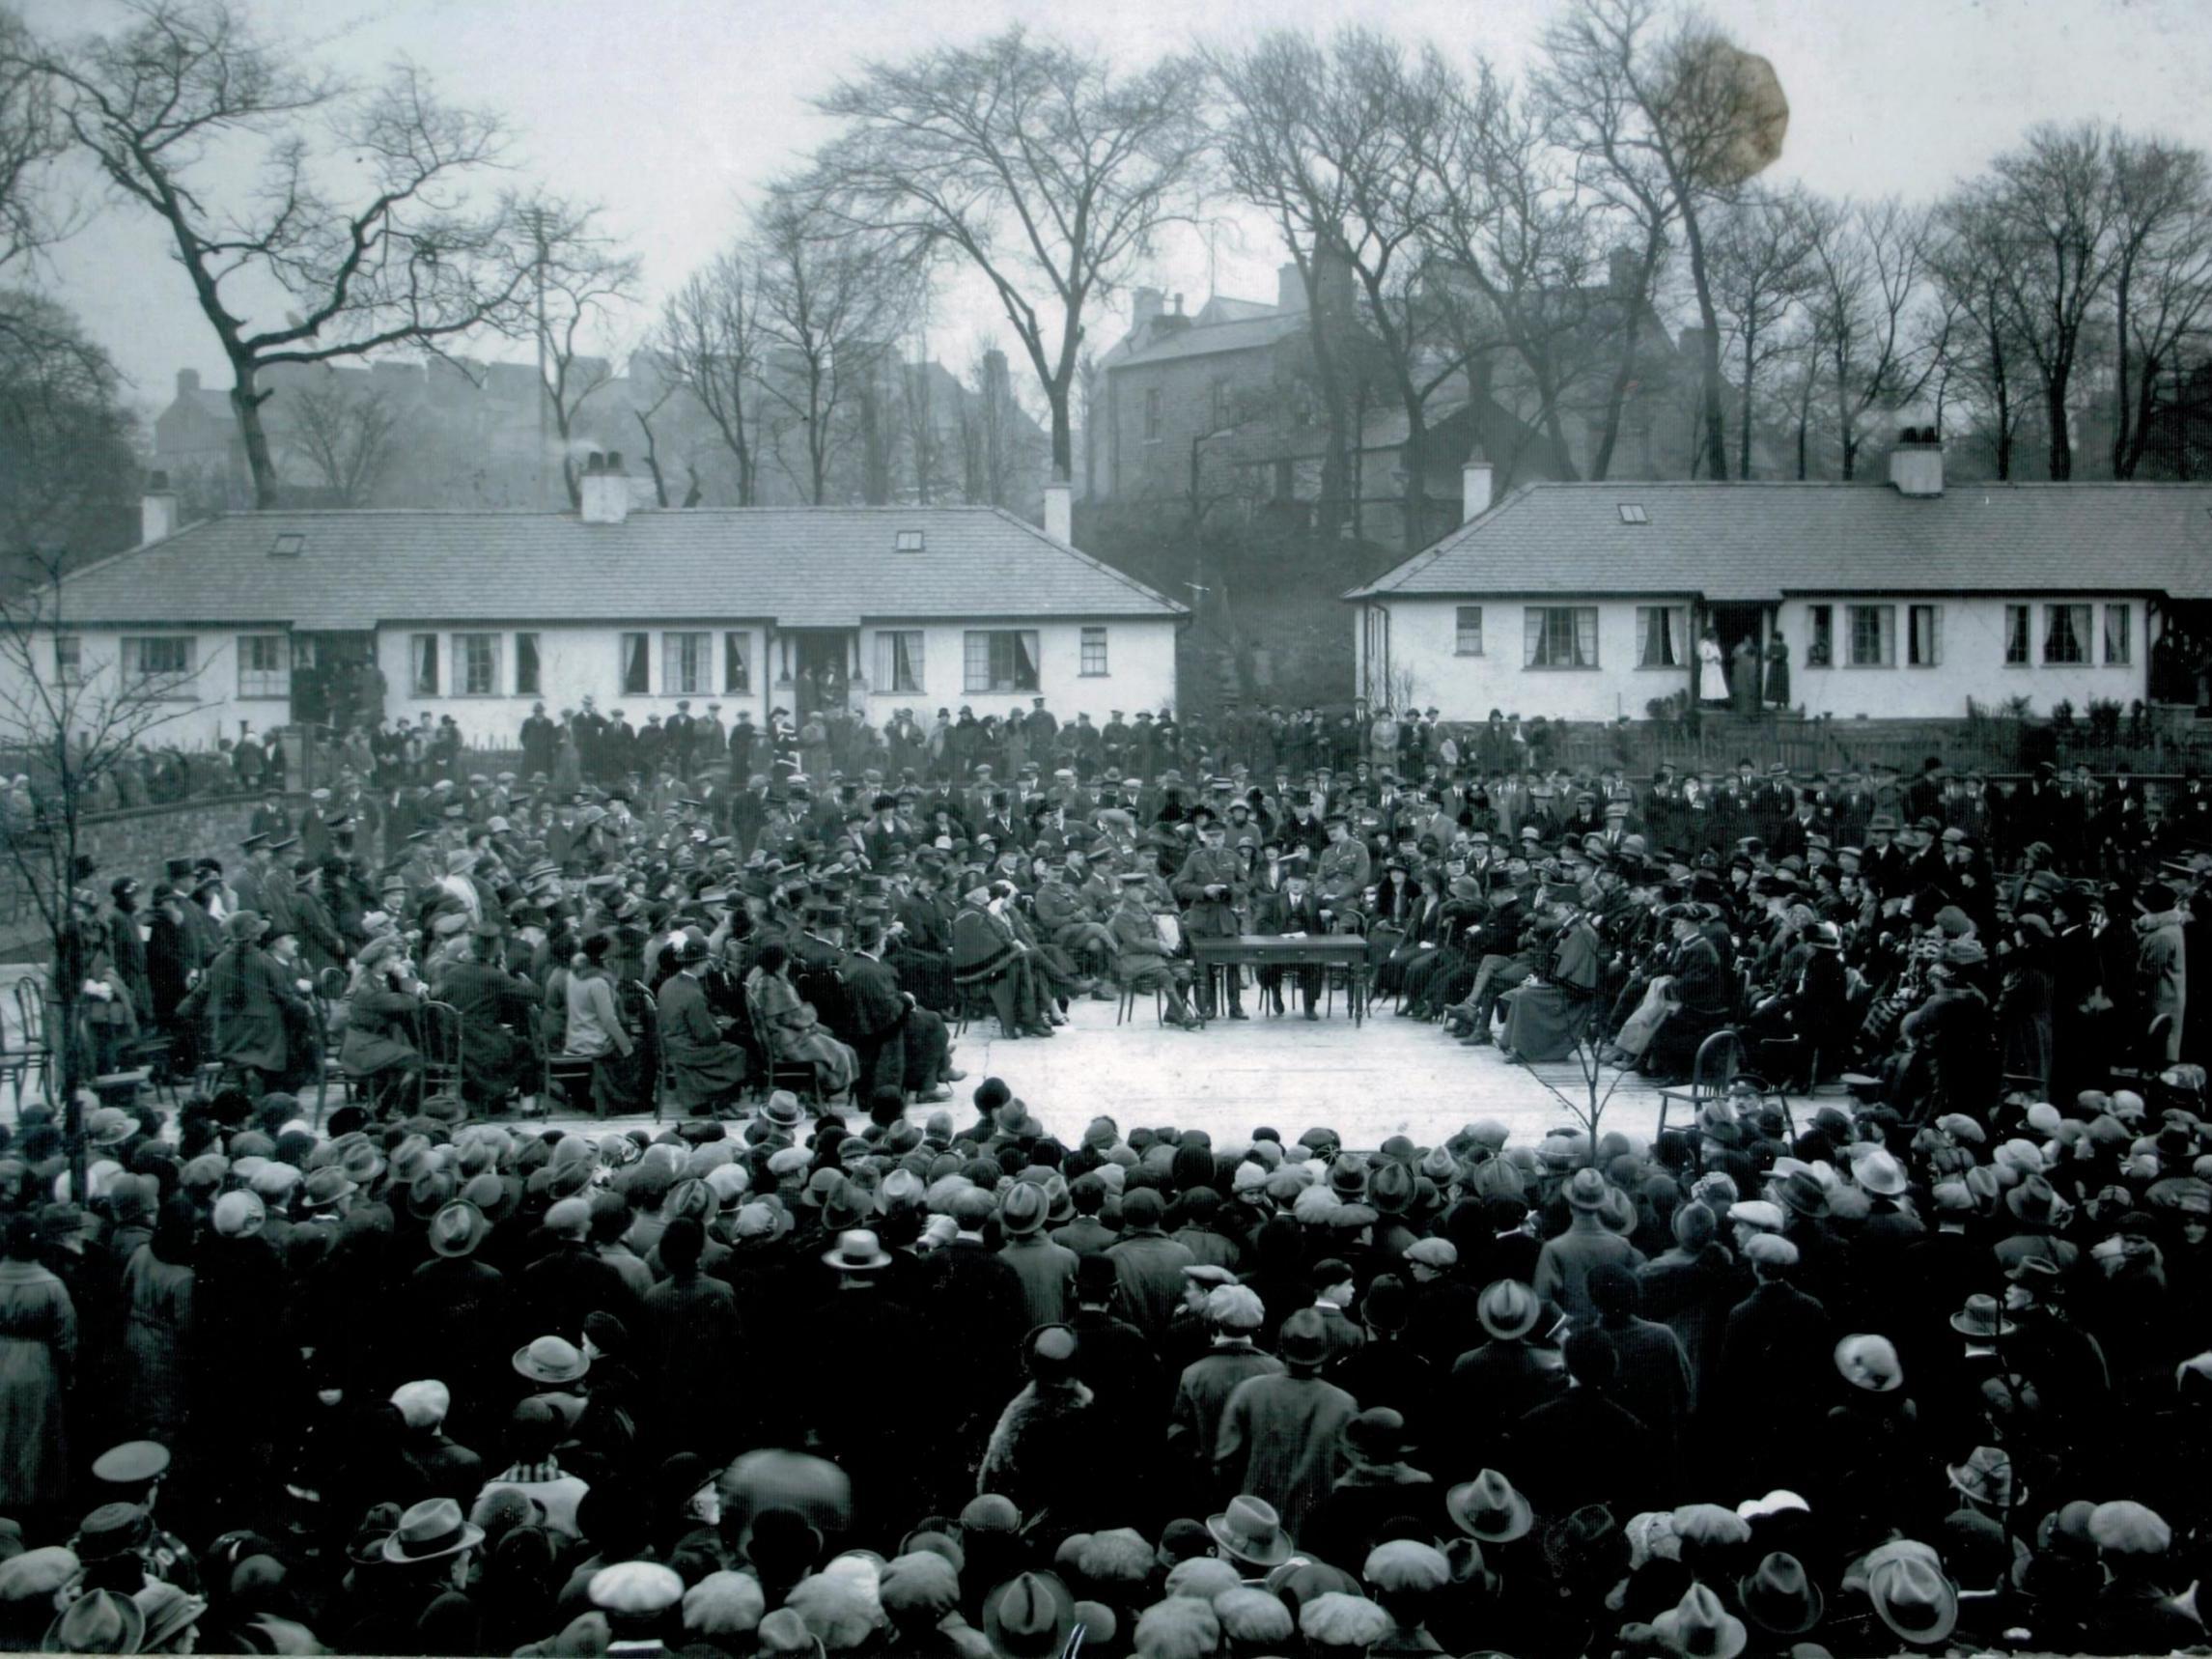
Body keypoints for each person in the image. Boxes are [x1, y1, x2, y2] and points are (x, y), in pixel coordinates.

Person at [744, 942, 858, 1101]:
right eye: (786, 961)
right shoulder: (774, 987)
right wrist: (810, 1012)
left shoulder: (761, 980)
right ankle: (822, 1090)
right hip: (789, 1044)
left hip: (780, 1039)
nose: (789, 964)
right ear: (780, 963)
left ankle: (814, 1092)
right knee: (841, 1051)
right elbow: (794, 1018)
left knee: (836, 1044)